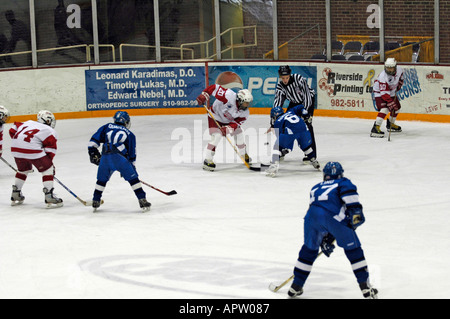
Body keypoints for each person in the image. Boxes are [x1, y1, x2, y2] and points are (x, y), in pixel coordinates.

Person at [288, 162, 378, 299]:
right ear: (341, 174)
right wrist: (350, 225)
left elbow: (319, 213)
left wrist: (327, 238)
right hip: (333, 216)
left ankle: (296, 286)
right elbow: (355, 214)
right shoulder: (343, 183)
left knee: (309, 250)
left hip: (310, 218)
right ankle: (365, 287)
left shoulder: (316, 187)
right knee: (354, 250)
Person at [88, 111, 151, 212]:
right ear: (126, 122)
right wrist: (131, 168)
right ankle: (142, 199)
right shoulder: (130, 134)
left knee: (101, 180)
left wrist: (92, 153)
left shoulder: (107, 126)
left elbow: (92, 142)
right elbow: (132, 154)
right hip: (120, 159)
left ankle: (96, 200)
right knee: (133, 180)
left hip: (105, 157)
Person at [9, 110, 63, 207]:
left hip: (15, 148)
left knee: (23, 170)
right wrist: (49, 166)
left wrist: (20, 141)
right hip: (32, 150)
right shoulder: (50, 131)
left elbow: (12, 130)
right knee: (48, 169)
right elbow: (50, 151)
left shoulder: (28, 122)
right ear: (48, 121)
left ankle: (16, 193)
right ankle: (49, 195)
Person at [196, 84, 253, 171]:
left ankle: (243, 154)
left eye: (248, 103)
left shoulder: (245, 113)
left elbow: (236, 123)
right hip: (215, 116)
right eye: (246, 103)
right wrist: (205, 94)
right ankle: (208, 159)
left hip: (228, 121)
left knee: (239, 133)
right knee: (216, 136)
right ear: (240, 100)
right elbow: (214, 87)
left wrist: (227, 129)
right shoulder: (228, 96)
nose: (247, 105)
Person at [272, 65, 317, 162]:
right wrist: (274, 120)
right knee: (285, 124)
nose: (285, 80)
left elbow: (307, 96)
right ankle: (282, 149)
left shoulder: (298, 78)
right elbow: (277, 104)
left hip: (308, 101)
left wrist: (305, 113)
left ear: (290, 75)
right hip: (294, 103)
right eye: (283, 78)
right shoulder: (280, 86)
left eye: (287, 78)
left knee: (307, 126)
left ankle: (311, 154)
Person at [265, 105, 320, 178]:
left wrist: (283, 151)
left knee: (277, 147)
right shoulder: (290, 112)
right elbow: (300, 107)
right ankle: (313, 160)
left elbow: (283, 142)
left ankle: (273, 166)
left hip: (290, 130)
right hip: (304, 127)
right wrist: (305, 113)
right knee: (305, 147)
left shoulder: (277, 122)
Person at [371, 58, 404, 138]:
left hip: (391, 90)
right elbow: (384, 94)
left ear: (395, 67)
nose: (389, 70)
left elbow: (401, 77)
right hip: (379, 92)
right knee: (385, 108)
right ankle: (376, 128)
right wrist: (390, 102)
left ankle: (390, 124)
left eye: (391, 68)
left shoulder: (399, 70)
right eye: (387, 67)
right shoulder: (383, 76)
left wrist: (399, 84)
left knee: (397, 108)